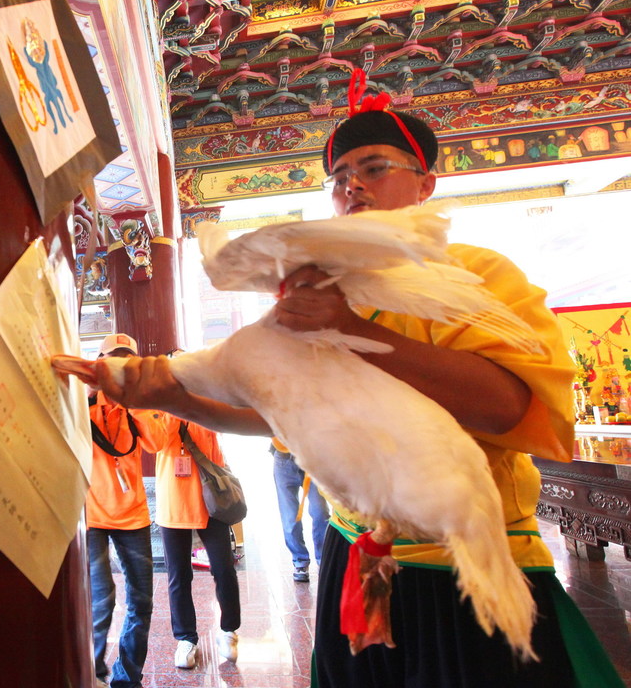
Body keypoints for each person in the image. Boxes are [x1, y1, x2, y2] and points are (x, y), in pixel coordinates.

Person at [93, 72, 624, 687]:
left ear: (425, 183)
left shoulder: (476, 275)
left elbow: (507, 406)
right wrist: (177, 399)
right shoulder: (318, 288)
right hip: (355, 555)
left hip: (461, 562)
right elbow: (282, 418)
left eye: (374, 168)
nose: (353, 186)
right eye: (339, 177)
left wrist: (349, 328)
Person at [86, 333, 166, 688]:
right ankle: (93, 672)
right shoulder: (84, 401)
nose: (120, 368)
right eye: (113, 360)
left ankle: (127, 678)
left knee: (142, 602)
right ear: (100, 363)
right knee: (101, 602)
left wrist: (134, 400)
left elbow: (157, 442)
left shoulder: (140, 403)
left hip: (132, 516)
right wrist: (90, 393)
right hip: (91, 515)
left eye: (126, 361)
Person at [154, 352, 241, 669]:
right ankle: (186, 639)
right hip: (174, 501)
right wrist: (171, 403)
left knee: (224, 568)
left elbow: (220, 434)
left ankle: (228, 630)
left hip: (211, 501)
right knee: (179, 575)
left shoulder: (207, 401)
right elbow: (156, 442)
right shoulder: (160, 405)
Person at [270, 436, 330, 582]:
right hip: (284, 460)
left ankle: (323, 559)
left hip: (313, 459)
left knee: (320, 512)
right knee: (290, 517)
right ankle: (300, 561)